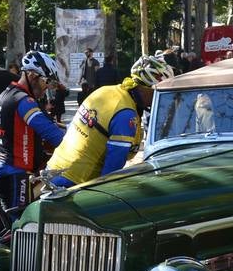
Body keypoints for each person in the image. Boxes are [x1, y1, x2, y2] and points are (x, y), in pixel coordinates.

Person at [46, 54, 174, 187]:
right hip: (75, 181)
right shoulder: (126, 115)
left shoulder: (105, 91)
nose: (159, 100)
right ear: (146, 89)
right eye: (158, 94)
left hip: (54, 168)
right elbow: (112, 171)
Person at [0, 51, 65, 217]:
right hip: (14, 173)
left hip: (3, 170)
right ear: (32, 75)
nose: (47, 87)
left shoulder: (8, 93)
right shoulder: (24, 101)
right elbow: (52, 134)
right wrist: (76, 145)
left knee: (13, 228)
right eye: (46, 81)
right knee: (23, 230)